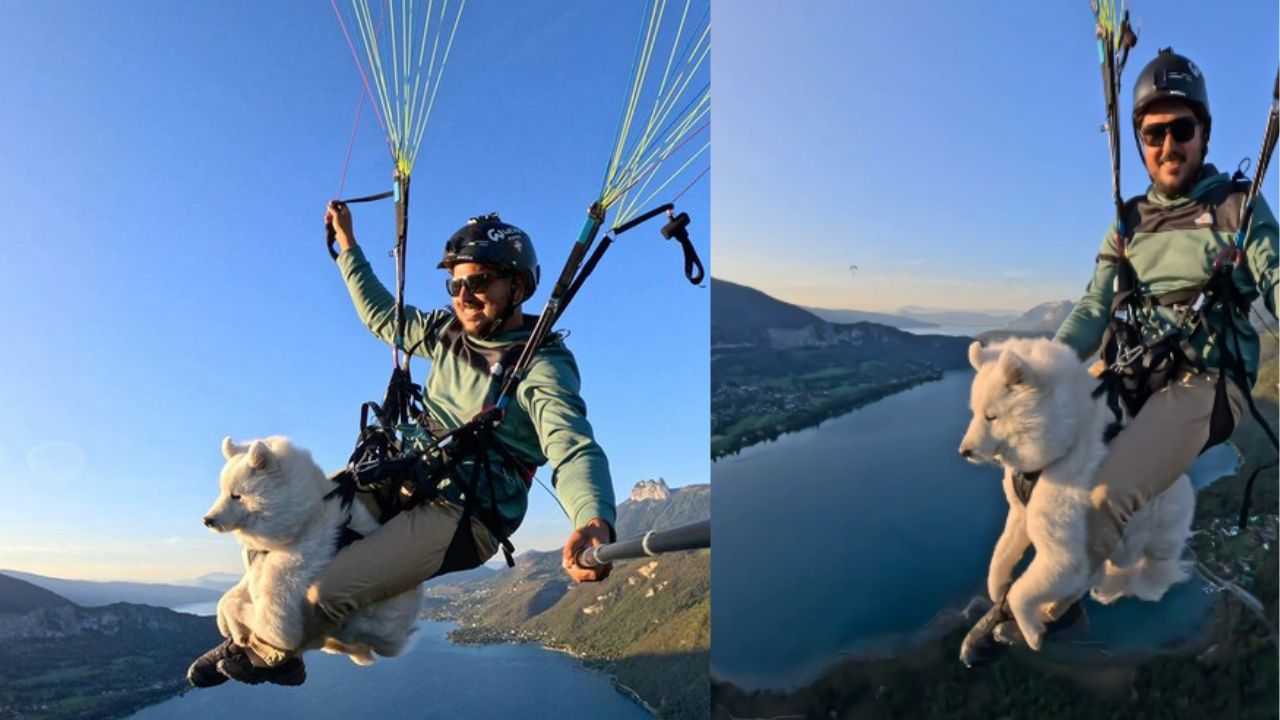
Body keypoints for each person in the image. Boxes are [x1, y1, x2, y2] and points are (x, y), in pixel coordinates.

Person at [188, 206, 618, 686]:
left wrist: (593, 518)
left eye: (479, 283)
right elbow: (381, 316)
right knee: (277, 528)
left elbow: (572, 444)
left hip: (464, 511)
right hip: (404, 472)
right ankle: (246, 635)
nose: (464, 296)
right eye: (455, 285)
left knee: (322, 592)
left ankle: (272, 650)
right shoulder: (445, 332)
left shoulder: (541, 365)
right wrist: (347, 245)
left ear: (518, 286)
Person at [987, 49, 1278, 652]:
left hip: (1207, 382)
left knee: (1102, 498)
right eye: (1154, 133)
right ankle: (1028, 576)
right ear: (1141, 141)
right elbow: (1094, 309)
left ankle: (1048, 609)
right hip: (1135, 368)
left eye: (1181, 129)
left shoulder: (1238, 211)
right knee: (1029, 462)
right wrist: (1037, 378)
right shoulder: (1127, 222)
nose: (1167, 145)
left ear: (1204, 134)